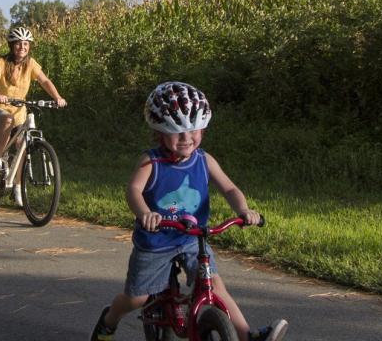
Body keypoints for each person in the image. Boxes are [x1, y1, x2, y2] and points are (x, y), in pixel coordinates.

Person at [90, 82, 288, 341]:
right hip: (156, 241)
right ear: (159, 132)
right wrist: (144, 214)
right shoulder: (152, 162)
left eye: (193, 130)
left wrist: (243, 209)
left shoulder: (204, 160)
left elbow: (229, 188)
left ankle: (247, 336)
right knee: (137, 297)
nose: (186, 138)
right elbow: (134, 191)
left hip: (192, 239)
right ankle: (109, 320)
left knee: (216, 286)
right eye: (177, 132)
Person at [0, 27, 67, 205]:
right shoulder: (2, 62)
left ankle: (18, 188)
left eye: (26, 44)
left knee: (22, 146)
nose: (22, 47)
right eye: (19, 43)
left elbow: (44, 81)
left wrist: (57, 97)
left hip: (19, 111)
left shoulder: (30, 64)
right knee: (7, 119)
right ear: (12, 45)